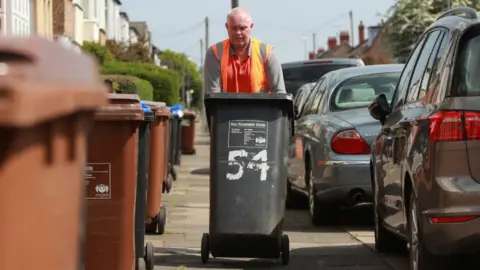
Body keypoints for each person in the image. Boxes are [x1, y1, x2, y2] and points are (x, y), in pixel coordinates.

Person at [203, 7, 286, 94]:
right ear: (227, 27)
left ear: (251, 26)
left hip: (260, 107)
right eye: (234, 28)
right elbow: (213, 96)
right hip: (226, 107)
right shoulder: (215, 53)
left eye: (242, 28)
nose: (238, 32)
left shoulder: (267, 53)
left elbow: (279, 93)